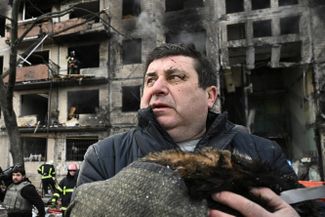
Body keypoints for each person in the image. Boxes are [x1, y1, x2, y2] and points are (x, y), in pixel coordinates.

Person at [76, 43, 300, 216]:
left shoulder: (264, 152)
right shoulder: (104, 156)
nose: (157, 88)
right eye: (150, 80)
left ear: (210, 96)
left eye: (175, 77)